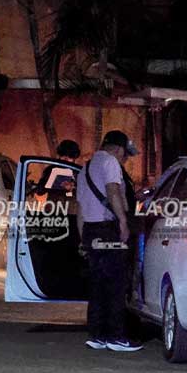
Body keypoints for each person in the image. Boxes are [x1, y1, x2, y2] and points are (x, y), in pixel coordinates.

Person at [75, 130, 141, 353]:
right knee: (116, 284)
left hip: (92, 231)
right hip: (109, 229)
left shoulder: (85, 168)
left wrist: (83, 237)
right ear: (119, 149)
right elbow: (112, 191)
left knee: (97, 285)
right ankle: (116, 337)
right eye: (126, 155)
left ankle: (97, 335)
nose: (125, 160)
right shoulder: (111, 162)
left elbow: (81, 208)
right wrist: (123, 221)